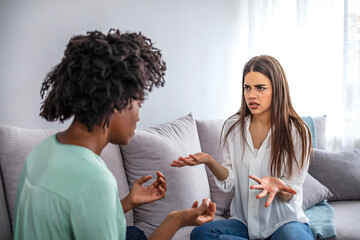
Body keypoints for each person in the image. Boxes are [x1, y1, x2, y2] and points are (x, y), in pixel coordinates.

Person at [13, 29, 216, 240]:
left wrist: (129, 202)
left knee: (134, 234)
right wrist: (176, 220)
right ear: (115, 102)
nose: (138, 116)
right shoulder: (94, 179)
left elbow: (74, 220)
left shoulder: (43, 151)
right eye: (138, 104)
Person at [171, 55, 313, 240]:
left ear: (277, 90)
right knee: (201, 233)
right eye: (247, 87)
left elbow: (291, 192)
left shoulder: (297, 131)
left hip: (284, 223)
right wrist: (209, 161)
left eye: (260, 88)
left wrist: (279, 188)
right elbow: (229, 181)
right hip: (244, 224)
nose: (251, 95)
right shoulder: (233, 126)